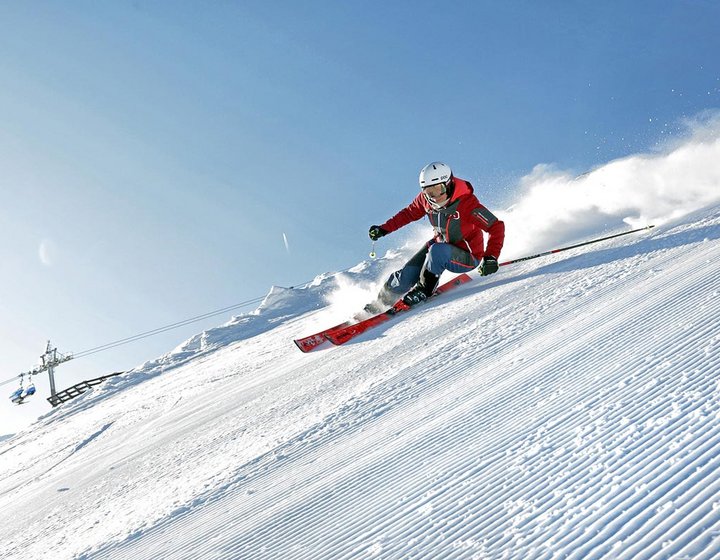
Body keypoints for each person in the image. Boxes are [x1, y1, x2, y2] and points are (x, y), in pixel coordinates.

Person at [367, 161, 505, 311]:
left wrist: (491, 257)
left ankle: (424, 290)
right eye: (429, 192)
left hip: (468, 256)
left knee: (437, 250)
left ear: (449, 183)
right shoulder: (426, 201)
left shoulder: (466, 203)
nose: (435, 196)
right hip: (438, 246)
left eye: (439, 189)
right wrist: (383, 229)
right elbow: (408, 214)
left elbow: (495, 226)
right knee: (406, 276)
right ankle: (380, 303)